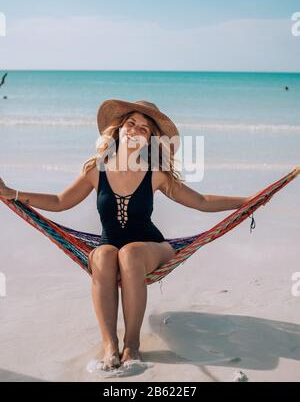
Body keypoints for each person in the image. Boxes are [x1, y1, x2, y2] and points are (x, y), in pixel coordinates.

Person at [0, 99, 255, 370]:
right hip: (109, 247)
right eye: (131, 124)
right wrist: (13, 194)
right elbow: (60, 201)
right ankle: (110, 345)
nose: (135, 130)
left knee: (130, 252)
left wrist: (248, 201)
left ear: (150, 140)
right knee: (104, 255)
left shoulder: (155, 174)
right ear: (119, 129)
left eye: (144, 129)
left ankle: (131, 344)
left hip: (151, 248)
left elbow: (201, 201)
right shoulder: (96, 170)